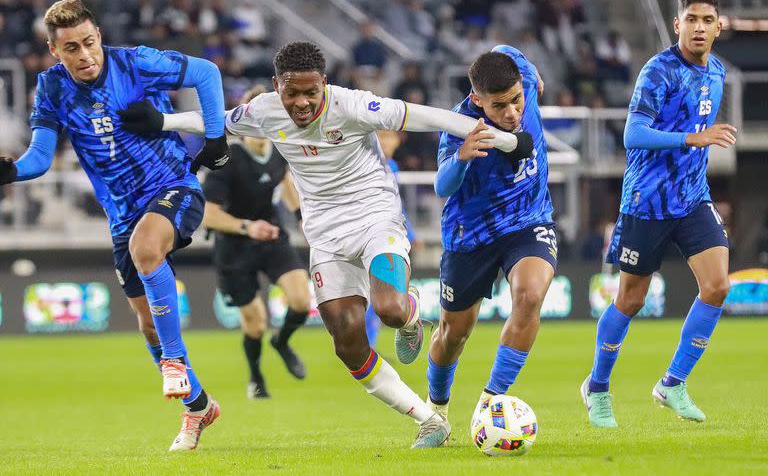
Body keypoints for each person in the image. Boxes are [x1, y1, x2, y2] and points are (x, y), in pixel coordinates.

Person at [121, 41, 528, 448]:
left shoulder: (354, 106)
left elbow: (423, 116)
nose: (301, 102)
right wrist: (161, 121)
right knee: (348, 343)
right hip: (325, 236)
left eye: (310, 92)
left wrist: (509, 142)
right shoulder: (264, 110)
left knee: (388, 308)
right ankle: (428, 421)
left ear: (325, 85)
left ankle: (409, 312)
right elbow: (216, 120)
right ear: (276, 85)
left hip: (374, 217)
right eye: (291, 92)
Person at [0, 0, 232, 451]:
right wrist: (10, 172)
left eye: (89, 43)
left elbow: (206, 72)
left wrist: (215, 138)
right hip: (122, 213)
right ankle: (199, 407)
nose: (84, 55)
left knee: (148, 248)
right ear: (54, 50)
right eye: (71, 48)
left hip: (175, 185)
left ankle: (175, 363)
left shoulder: (136, 63)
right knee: (147, 326)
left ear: (100, 37)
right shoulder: (51, 89)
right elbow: (40, 158)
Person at [581, 0, 735, 427]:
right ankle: (597, 388)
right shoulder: (658, 71)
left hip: (692, 199)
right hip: (646, 202)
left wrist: (696, 151)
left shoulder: (718, 71)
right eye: (692, 19)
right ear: (677, 24)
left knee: (718, 285)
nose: (700, 27)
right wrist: (692, 138)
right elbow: (633, 134)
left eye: (708, 19)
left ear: (719, 26)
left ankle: (672, 383)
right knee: (631, 299)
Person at [424, 46, 554, 430]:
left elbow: (504, 50)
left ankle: (491, 404)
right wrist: (462, 157)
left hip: (529, 219)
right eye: (499, 107)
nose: (513, 113)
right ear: (477, 100)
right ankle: (436, 410)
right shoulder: (459, 125)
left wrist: (535, 74)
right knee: (454, 334)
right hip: (471, 235)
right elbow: (441, 186)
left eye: (517, 100)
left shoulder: (524, 77)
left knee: (530, 296)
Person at [202, 85, 311, 399]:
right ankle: (256, 377)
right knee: (256, 323)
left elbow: (285, 180)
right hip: (234, 247)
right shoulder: (226, 159)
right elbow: (208, 215)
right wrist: (248, 227)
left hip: (272, 238)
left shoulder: (280, 150)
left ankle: (283, 341)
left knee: (302, 301)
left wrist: (302, 217)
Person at [364, 130, 420, 348]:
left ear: (398, 141)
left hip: (382, 238)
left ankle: (369, 348)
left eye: (390, 138)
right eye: (382, 137)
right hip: (361, 234)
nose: (387, 142)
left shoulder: (392, 166)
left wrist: (411, 233)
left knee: (375, 296)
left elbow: (396, 206)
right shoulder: (366, 161)